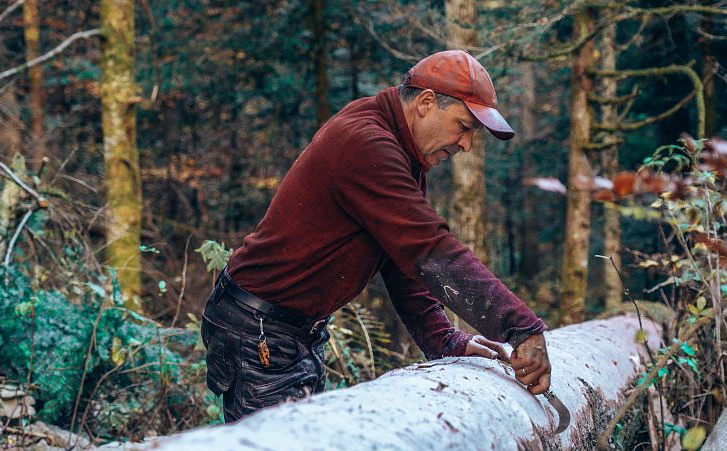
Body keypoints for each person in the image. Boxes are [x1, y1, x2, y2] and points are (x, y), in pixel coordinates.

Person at [201, 50, 551, 422]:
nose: (466, 145)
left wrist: (445, 340)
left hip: (289, 330)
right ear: (426, 103)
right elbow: (430, 252)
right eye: (464, 127)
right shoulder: (368, 143)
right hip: (259, 329)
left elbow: (405, 260)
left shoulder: (401, 150)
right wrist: (521, 327)